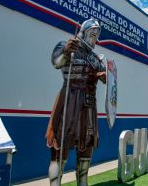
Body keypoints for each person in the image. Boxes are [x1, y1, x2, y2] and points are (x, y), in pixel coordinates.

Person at [45, 19, 106, 186]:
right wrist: (66, 51)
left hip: (88, 106)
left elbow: (108, 81)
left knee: (86, 149)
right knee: (59, 149)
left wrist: (105, 78)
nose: (95, 38)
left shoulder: (97, 59)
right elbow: (57, 63)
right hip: (69, 102)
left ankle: (83, 183)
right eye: (92, 34)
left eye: (97, 35)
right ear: (83, 32)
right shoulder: (67, 45)